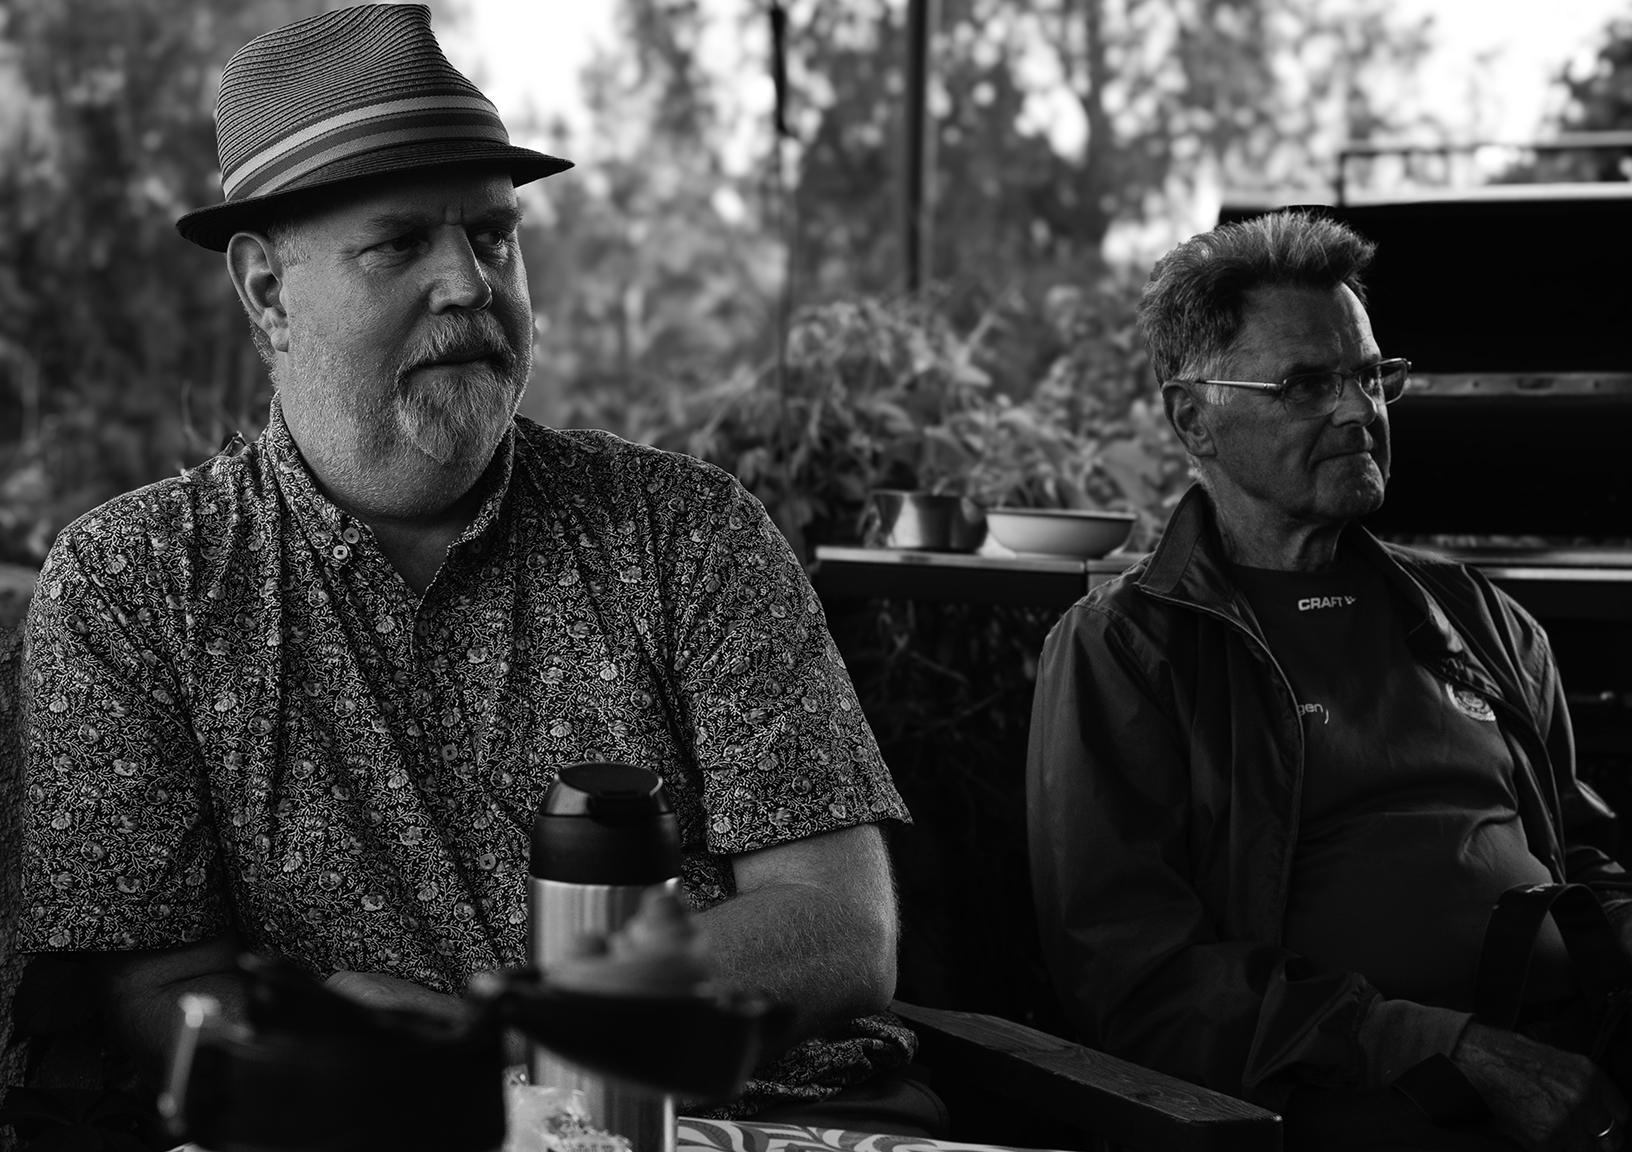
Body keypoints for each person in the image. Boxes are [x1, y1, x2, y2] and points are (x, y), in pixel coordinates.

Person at [2, 5, 939, 1146]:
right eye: (399, 243)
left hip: (758, 1123)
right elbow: (155, 985)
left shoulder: (684, 531)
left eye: (492, 239)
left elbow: (840, 928)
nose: (469, 284)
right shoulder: (138, 586)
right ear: (264, 291)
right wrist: (381, 1079)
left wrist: (492, 1035)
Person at [1024, 209, 1632, 1151]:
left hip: (1597, 1052)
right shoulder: (1129, 650)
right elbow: (1137, 987)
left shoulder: (1474, 617)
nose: (1359, 412)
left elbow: (1571, 857)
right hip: (1355, 1096)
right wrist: (1453, 1048)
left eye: (1369, 376)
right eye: (1308, 384)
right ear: (1195, 416)